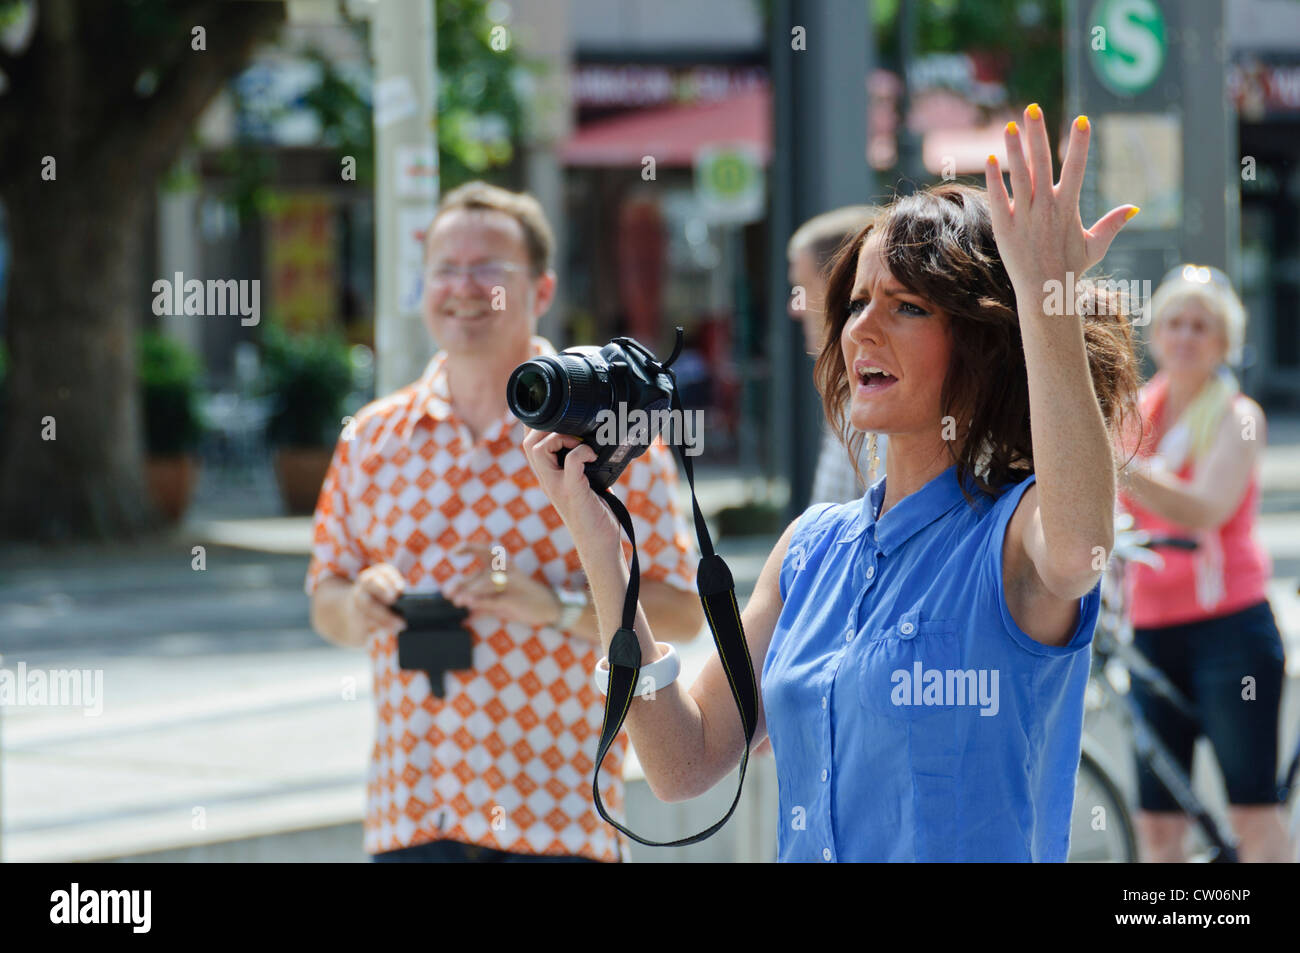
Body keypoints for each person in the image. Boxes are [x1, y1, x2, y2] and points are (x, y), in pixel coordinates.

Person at [525, 106, 1142, 861]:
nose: (859, 331)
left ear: (984, 343)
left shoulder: (1012, 535)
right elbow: (681, 764)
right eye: (854, 304)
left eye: (907, 306)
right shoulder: (810, 549)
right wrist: (599, 543)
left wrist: (1048, 299)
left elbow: (1082, 550)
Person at [306, 181, 703, 863]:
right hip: (413, 816)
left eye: (487, 267)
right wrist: (358, 604)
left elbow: (683, 612)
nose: (463, 286)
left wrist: (552, 606)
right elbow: (325, 596)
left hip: (562, 824)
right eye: (445, 268)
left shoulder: (610, 435)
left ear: (542, 290)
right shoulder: (372, 437)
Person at [1118, 265, 1291, 863]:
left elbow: (1203, 509)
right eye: (1174, 323)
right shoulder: (1136, 412)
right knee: (1158, 824)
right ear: (1156, 334)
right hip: (1150, 629)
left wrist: (1112, 462)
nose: (1186, 336)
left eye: (1201, 326)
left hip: (1230, 630)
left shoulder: (1239, 415)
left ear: (1224, 342)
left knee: (1252, 811)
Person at [787, 205, 888, 504]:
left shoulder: (878, 397)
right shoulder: (851, 390)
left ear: (840, 289)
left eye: (802, 288)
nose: (795, 307)